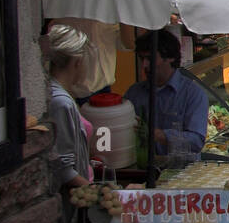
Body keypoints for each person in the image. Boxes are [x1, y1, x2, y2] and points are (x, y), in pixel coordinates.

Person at [124, 30, 209, 160]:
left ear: (170, 57)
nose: (145, 65)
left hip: (182, 173)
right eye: (142, 59)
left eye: (150, 59)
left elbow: (196, 142)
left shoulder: (193, 94)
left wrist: (159, 135)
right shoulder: (134, 93)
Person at [42, 24, 93, 223]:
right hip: (68, 208)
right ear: (78, 61)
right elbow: (63, 168)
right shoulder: (61, 102)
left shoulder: (59, 94)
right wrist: (98, 194)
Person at [48, 18, 135, 99]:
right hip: (71, 90)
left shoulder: (108, 15)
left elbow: (128, 44)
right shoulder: (63, 15)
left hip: (102, 88)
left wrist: (123, 16)